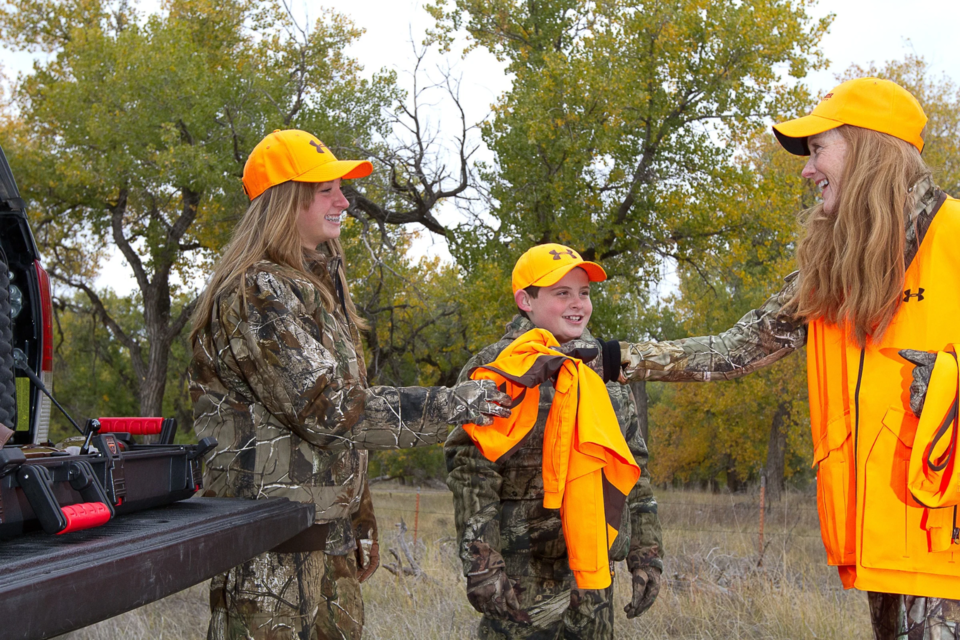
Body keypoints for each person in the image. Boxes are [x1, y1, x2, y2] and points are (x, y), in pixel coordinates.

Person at [617, 78, 960, 639]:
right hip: (886, 553)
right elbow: (735, 350)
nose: (806, 168)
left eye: (818, 148)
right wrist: (613, 356)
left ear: (869, 147)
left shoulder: (957, 237)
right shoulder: (833, 268)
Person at [189, 129, 512, 640]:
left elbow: (342, 431)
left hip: (325, 534)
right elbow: (328, 408)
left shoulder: (317, 284)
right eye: (327, 190)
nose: (345, 201)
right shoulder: (258, 290)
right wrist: (458, 404)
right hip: (270, 545)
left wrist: (359, 518)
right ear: (285, 200)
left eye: (342, 188)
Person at [445, 243, 663, 639]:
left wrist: (646, 556)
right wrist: (483, 566)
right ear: (525, 300)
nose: (577, 303)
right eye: (561, 293)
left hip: (593, 576)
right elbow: (472, 473)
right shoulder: (498, 368)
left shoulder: (602, 370)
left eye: (584, 293)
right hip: (521, 579)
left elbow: (635, 469)